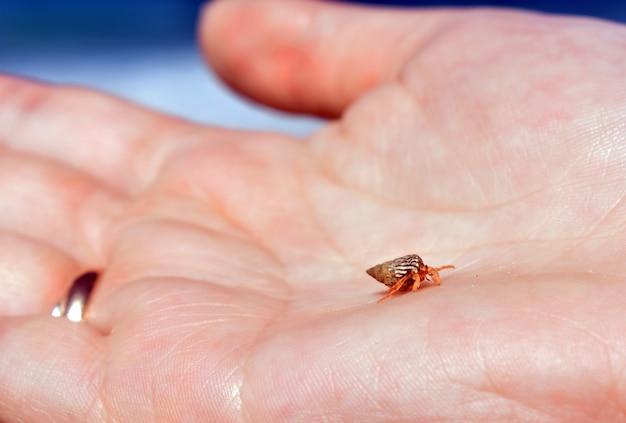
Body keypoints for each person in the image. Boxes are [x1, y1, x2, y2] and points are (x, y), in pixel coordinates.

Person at [1, 0, 625, 420]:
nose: (424, 278)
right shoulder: (407, 273)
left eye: (419, 276)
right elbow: (413, 278)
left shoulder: (415, 274)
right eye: (421, 275)